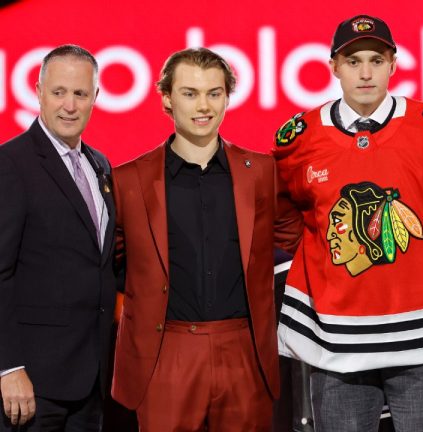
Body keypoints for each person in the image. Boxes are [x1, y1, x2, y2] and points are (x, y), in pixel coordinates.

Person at [272, 14, 423, 431]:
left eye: (376, 59)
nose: (366, 72)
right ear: (334, 66)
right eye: (353, 62)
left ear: (394, 64)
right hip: (335, 342)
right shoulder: (298, 140)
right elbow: (281, 218)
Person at [109, 48, 302, 431]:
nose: (204, 106)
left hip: (244, 350)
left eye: (214, 93)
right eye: (190, 93)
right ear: (167, 98)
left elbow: (294, 238)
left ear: (227, 97)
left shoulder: (261, 172)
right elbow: (116, 262)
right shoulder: (128, 180)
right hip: (165, 352)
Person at [0, 45, 115, 431]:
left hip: (91, 380)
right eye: (59, 92)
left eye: (80, 94)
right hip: (32, 384)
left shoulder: (100, 164)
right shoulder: (10, 164)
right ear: (38, 92)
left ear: (95, 97)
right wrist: (8, 367)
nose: (69, 105)